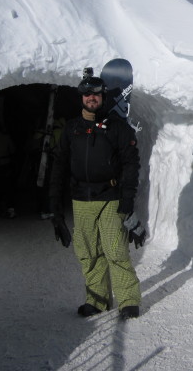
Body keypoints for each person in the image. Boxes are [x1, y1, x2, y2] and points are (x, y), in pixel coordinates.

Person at [49, 75, 146, 319]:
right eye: (87, 94)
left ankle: (128, 300)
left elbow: (131, 165)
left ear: (103, 97)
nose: (91, 98)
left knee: (116, 251)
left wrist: (126, 201)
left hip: (111, 198)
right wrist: (55, 211)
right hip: (81, 200)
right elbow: (58, 168)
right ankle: (98, 300)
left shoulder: (118, 128)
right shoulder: (72, 129)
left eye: (96, 94)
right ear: (81, 98)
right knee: (88, 252)